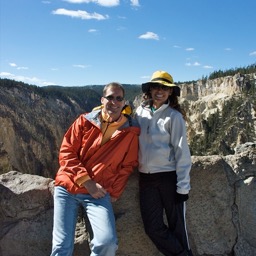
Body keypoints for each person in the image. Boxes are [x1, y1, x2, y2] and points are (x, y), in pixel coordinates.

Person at [50, 82, 140, 256]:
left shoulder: (130, 133)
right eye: (110, 97)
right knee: (61, 247)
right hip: (68, 186)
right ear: (102, 99)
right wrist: (87, 181)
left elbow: (128, 165)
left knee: (107, 244)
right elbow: (67, 152)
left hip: (98, 192)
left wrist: (114, 192)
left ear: (124, 103)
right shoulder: (84, 121)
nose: (114, 102)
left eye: (118, 98)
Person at [135, 71, 193, 256]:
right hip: (146, 179)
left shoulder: (174, 117)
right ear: (149, 90)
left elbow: (182, 151)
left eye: (164, 88)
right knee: (152, 227)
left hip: (169, 178)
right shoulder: (139, 112)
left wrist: (183, 187)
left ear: (170, 92)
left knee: (178, 228)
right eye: (155, 86)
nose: (159, 91)